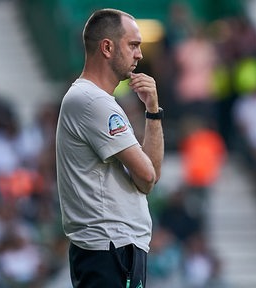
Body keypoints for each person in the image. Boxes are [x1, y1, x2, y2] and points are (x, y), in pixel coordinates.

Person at [55, 8, 164, 288]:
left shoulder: (96, 100)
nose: (139, 54)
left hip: (113, 249)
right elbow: (147, 178)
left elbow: (150, 175)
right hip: (110, 249)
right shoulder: (93, 102)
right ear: (107, 47)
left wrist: (152, 112)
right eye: (133, 45)